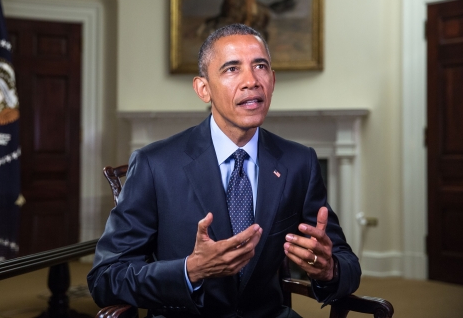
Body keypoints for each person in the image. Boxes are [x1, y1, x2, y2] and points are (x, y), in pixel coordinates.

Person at [87, 24, 361, 317]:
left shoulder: (299, 162)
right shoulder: (155, 164)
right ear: (203, 89)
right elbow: (106, 277)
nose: (251, 80)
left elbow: (348, 264)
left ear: (272, 80)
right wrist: (189, 271)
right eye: (232, 69)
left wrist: (329, 269)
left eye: (260, 66)